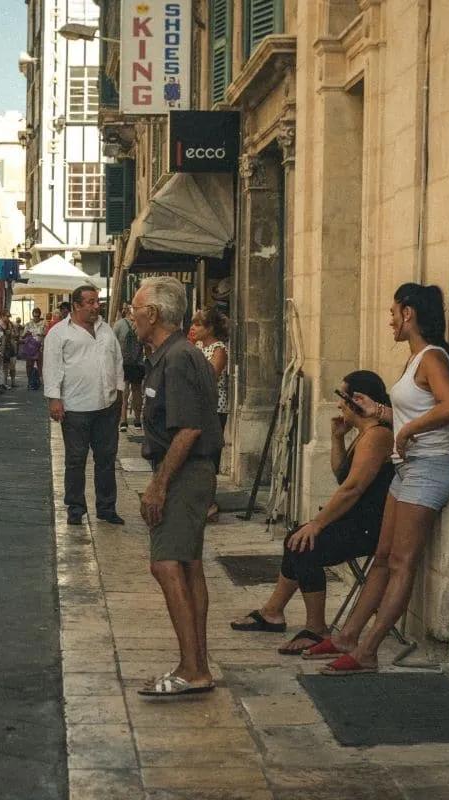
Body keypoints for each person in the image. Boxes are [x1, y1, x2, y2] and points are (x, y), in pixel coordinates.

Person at [305, 283, 449, 674]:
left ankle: (369, 649)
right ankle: (347, 636)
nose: (389, 319)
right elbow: (414, 412)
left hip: (428, 467)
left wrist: (407, 432)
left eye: (393, 311)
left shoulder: (432, 357)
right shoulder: (414, 361)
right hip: (408, 468)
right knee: (382, 556)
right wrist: (380, 412)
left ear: (408, 313)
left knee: (402, 561)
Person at [230, 371, 395, 655]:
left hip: (370, 526)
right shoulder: (364, 434)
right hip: (356, 519)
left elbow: (352, 489)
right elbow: (341, 475)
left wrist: (318, 524)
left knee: (304, 545)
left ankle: (316, 629)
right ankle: (273, 612)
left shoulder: (378, 435)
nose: (339, 406)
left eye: (342, 398)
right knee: (296, 539)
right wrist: (336, 438)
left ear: (357, 400)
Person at [131, 276, 223, 697]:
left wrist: (159, 485)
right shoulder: (174, 355)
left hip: (185, 471)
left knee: (166, 563)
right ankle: (195, 662)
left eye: (134, 310)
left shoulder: (179, 357)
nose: (131, 318)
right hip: (186, 469)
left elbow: (188, 428)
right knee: (186, 564)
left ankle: (193, 668)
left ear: (152, 314)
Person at [44, 285, 125, 526]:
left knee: (106, 459)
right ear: (77, 305)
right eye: (89, 302)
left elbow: (117, 361)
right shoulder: (59, 333)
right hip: (75, 407)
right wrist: (54, 399)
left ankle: (107, 507)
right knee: (76, 460)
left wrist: (119, 392)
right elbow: (52, 366)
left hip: (106, 406)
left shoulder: (106, 330)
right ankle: (76, 508)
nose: (95, 306)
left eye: (96, 301)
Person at [190, 308, 230, 519]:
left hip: (215, 408)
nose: (192, 328)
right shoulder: (195, 347)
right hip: (197, 407)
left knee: (210, 455)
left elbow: (210, 377)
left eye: (197, 325)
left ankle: (210, 502)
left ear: (210, 328)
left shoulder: (219, 349)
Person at [113, 302, 144, 433]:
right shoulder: (140, 323)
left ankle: (123, 421)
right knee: (137, 391)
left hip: (123, 362)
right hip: (138, 362)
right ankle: (137, 420)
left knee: (123, 392)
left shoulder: (119, 324)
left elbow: (113, 344)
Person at [21, 307, 47, 390]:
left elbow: (46, 334)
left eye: (37, 316)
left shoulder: (44, 324)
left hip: (40, 348)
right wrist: (26, 334)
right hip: (30, 348)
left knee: (40, 366)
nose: (36, 318)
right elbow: (23, 335)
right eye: (34, 316)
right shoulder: (28, 324)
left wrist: (42, 335)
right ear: (32, 315)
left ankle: (41, 381)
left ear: (39, 315)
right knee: (29, 365)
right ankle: (30, 381)